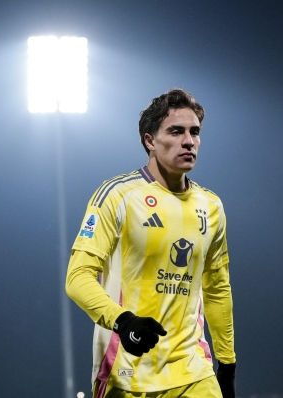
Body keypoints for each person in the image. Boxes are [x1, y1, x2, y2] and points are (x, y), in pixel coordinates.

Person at [66, 89, 236, 398]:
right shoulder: (117, 195)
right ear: (150, 141)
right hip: (127, 370)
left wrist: (227, 364)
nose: (189, 141)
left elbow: (217, 288)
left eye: (195, 132)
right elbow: (77, 278)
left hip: (193, 370)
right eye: (176, 131)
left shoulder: (211, 206)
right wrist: (124, 321)